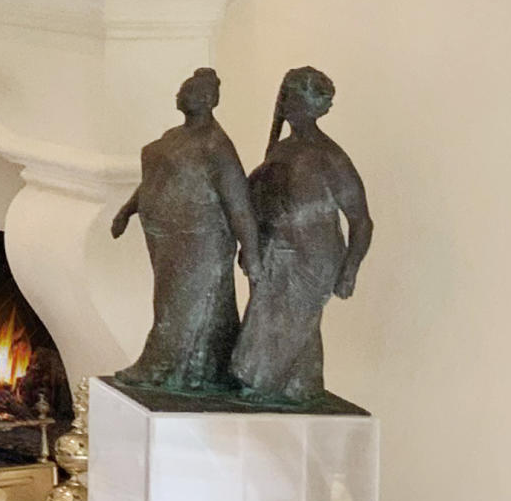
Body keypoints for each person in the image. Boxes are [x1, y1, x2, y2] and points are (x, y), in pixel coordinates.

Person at [230, 67, 373, 406]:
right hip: (277, 252)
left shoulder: (330, 157)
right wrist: (253, 243)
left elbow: (362, 221)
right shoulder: (281, 149)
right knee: (290, 327)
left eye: (293, 99)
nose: (285, 105)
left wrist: (350, 270)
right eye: (286, 98)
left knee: (281, 327)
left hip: (313, 258)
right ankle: (303, 386)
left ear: (312, 106)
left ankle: (264, 386)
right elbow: (264, 200)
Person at [108, 68, 256, 396]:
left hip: (200, 240)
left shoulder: (217, 146)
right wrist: (127, 211)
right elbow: (154, 181)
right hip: (166, 237)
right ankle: (207, 370)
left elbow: (238, 203)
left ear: (207, 100)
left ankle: (157, 366)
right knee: (191, 304)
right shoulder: (174, 135)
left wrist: (251, 250)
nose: (179, 95)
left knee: (180, 305)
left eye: (186, 90)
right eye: (181, 90)